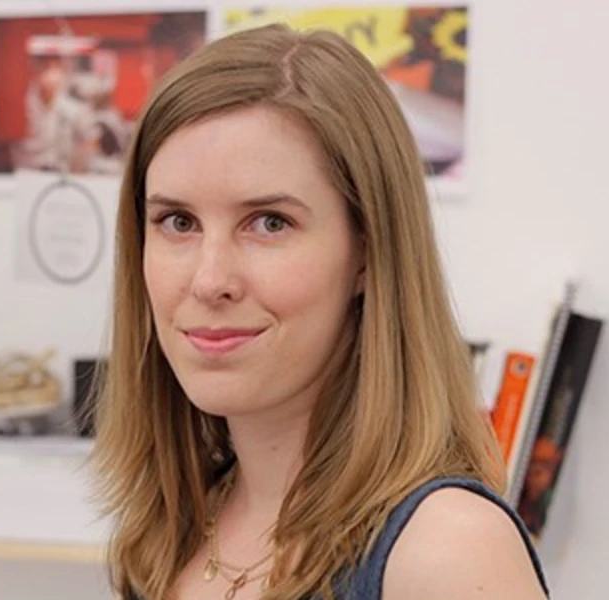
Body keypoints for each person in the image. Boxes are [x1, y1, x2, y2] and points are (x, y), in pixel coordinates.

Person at [91, 23, 549, 600]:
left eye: (268, 223)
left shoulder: (444, 550)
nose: (209, 281)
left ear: (367, 251)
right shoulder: (170, 530)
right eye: (177, 222)